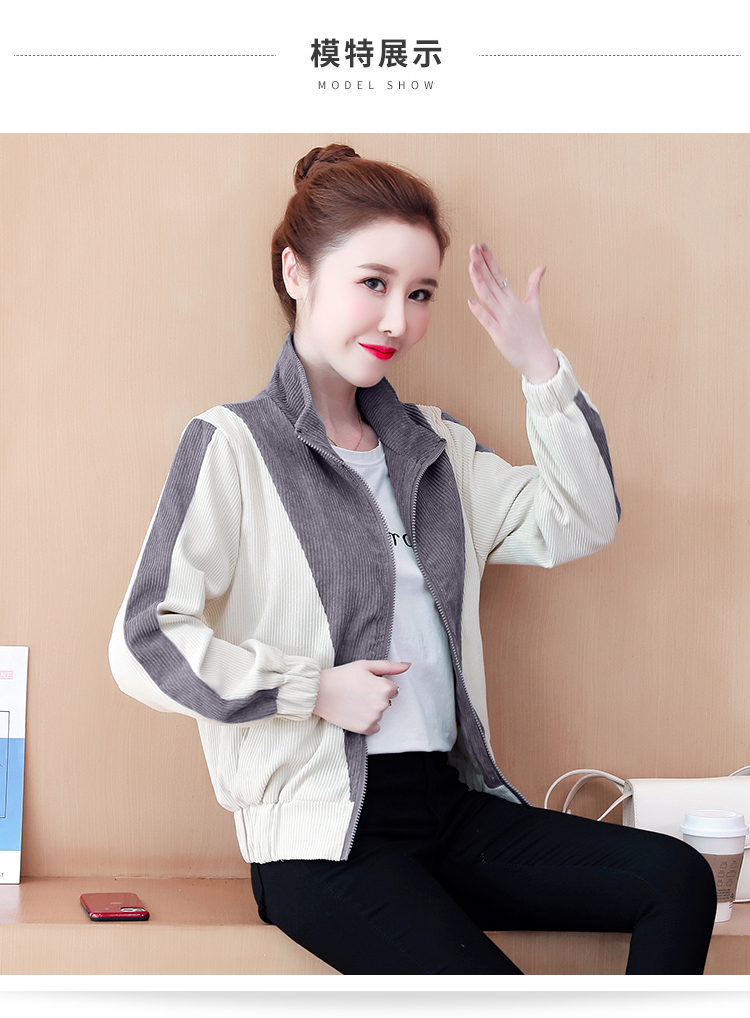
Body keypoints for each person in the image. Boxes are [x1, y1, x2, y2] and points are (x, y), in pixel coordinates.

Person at [109, 144, 716, 975]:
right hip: (324, 839)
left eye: (420, 293)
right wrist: (313, 689)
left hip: (450, 807)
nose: (398, 319)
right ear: (296, 272)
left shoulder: (437, 449)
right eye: (374, 283)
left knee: (677, 879)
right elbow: (144, 640)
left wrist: (540, 371)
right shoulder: (234, 446)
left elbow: (582, 520)